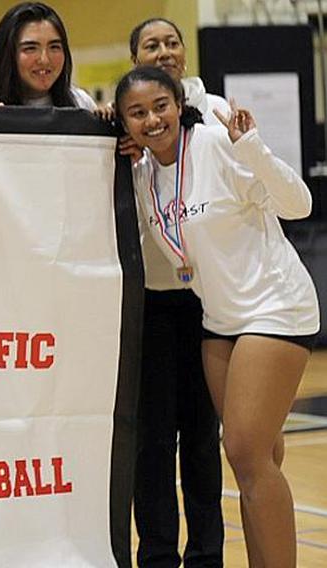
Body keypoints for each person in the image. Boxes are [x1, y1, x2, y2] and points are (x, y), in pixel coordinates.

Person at [116, 65, 319, 567]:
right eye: (136, 113)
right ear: (124, 123)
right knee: (260, 462)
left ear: (179, 103)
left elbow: (299, 204)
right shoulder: (143, 176)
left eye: (160, 106)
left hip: (274, 308)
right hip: (219, 323)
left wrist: (251, 145)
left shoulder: (216, 144)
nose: (152, 120)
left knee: (246, 456)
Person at [125, 18, 226, 568]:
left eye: (171, 42)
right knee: (154, 440)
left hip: (208, 302)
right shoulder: (127, 123)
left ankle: (208, 554)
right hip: (150, 303)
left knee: (203, 438)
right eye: (150, 45)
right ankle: (158, 553)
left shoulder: (214, 113)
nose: (164, 51)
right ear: (135, 57)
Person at [0, 2, 95, 110]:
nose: (44, 60)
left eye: (54, 47)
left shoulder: (81, 103)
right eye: (30, 48)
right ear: (7, 54)